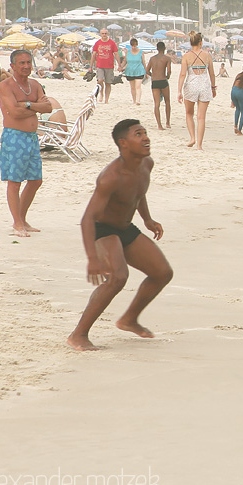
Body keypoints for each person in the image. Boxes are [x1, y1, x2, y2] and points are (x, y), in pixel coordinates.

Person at [66, 119, 172, 351]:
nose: (146, 137)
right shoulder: (110, 176)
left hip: (125, 227)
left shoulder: (146, 164)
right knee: (118, 277)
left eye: (145, 133)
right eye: (138, 134)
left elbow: (137, 193)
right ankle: (78, 335)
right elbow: (87, 219)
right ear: (123, 143)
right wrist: (92, 258)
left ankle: (129, 319)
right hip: (102, 229)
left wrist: (147, 219)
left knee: (162, 272)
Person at [0, 49, 61, 236]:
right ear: (13, 66)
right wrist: (35, 107)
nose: (26, 66)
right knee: (14, 181)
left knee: (35, 180)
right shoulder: (6, 86)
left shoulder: (35, 84)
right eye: (21, 63)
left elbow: (48, 107)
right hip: (14, 137)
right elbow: (14, 113)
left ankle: (22, 218)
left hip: (32, 138)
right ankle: (17, 223)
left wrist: (25, 104)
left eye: (28, 62)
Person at [177, 32, 216, 150]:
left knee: (189, 113)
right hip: (204, 85)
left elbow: (183, 74)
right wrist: (213, 87)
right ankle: (199, 145)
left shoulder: (186, 56)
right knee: (201, 117)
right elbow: (212, 73)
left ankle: (192, 138)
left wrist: (179, 91)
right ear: (201, 42)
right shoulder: (207, 55)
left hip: (191, 85)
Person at [147, 41, 173, 130]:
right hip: (163, 81)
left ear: (157, 49)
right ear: (164, 48)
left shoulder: (152, 59)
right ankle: (168, 123)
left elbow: (147, 71)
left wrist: (152, 75)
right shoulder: (167, 58)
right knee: (167, 102)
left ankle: (159, 125)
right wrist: (167, 77)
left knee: (156, 104)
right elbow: (169, 71)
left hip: (155, 82)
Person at [91, 28, 119, 104]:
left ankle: (106, 99)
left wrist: (119, 65)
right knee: (100, 80)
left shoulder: (112, 43)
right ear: (100, 34)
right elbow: (94, 55)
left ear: (108, 34)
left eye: (105, 33)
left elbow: (116, 54)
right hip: (100, 65)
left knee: (108, 83)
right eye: (103, 33)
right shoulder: (97, 43)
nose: (104, 35)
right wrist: (90, 66)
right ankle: (101, 94)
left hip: (109, 66)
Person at [120, 37, 147, 105]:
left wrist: (146, 71)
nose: (134, 47)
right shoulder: (128, 52)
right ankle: (134, 100)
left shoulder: (141, 52)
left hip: (139, 70)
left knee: (138, 86)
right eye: (132, 45)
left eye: (135, 45)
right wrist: (120, 67)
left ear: (137, 45)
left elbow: (144, 62)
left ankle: (138, 100)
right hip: (130, 71)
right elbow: (125, 61)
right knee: (132, 87)